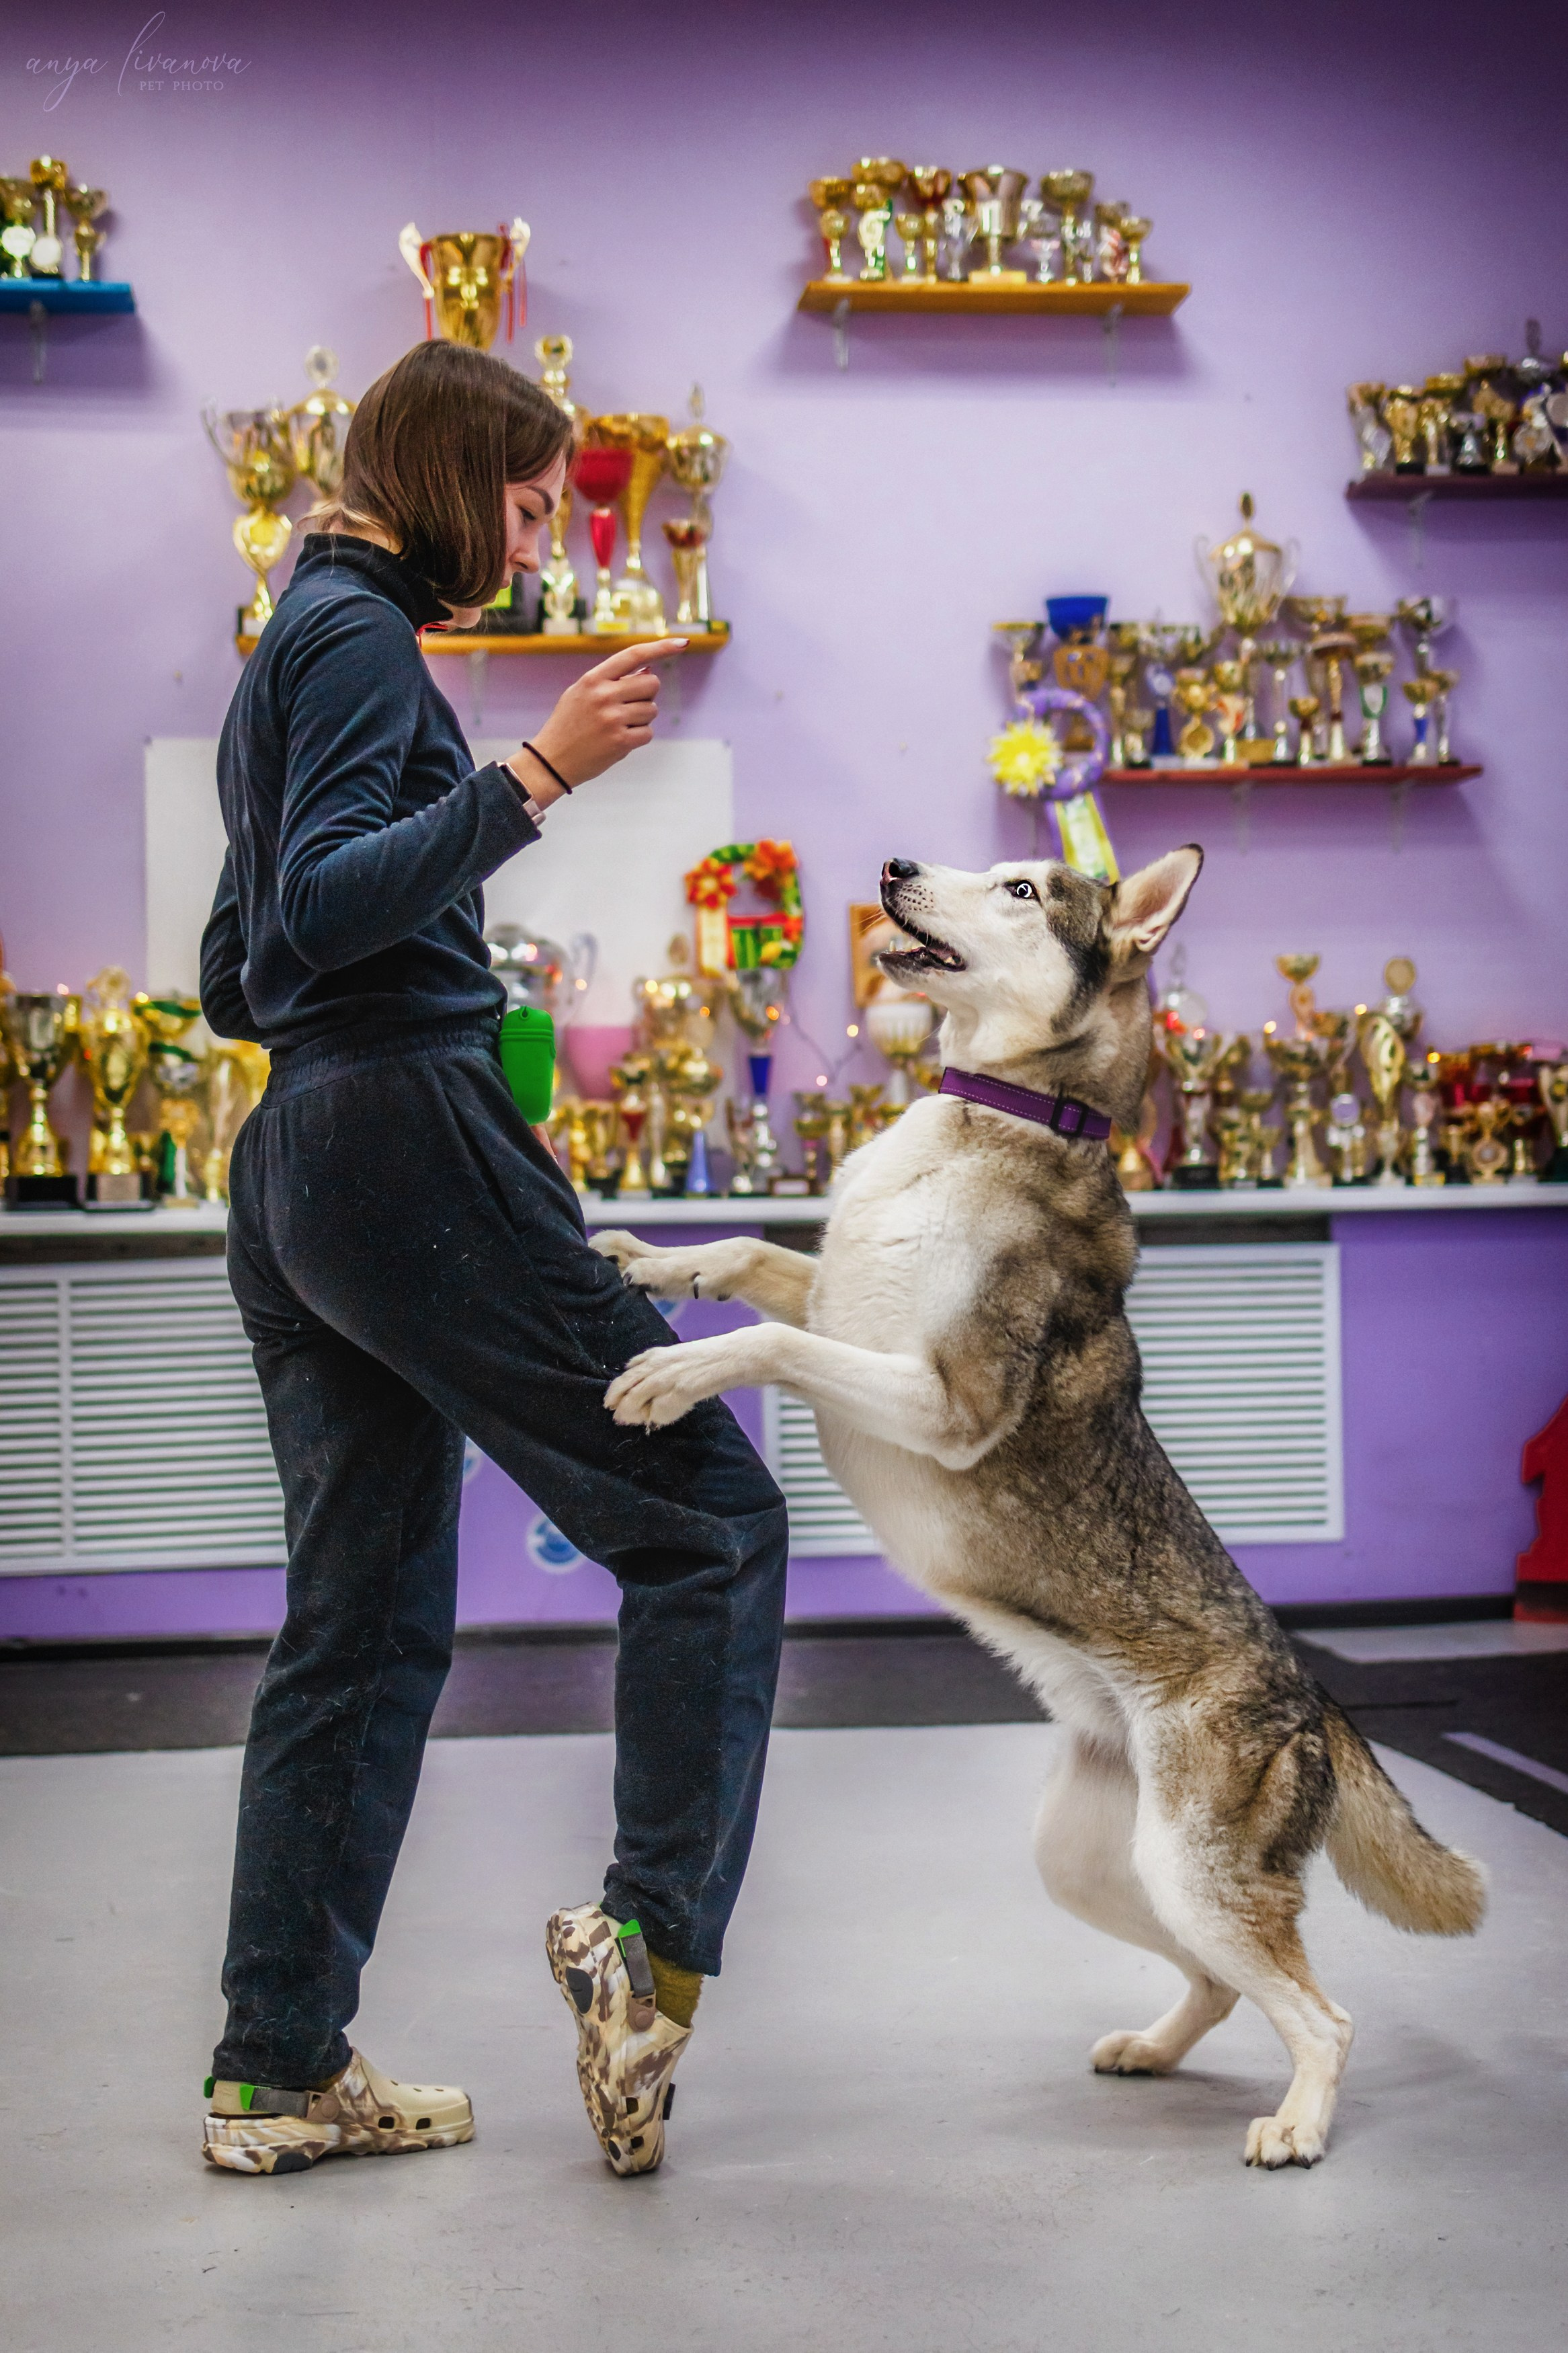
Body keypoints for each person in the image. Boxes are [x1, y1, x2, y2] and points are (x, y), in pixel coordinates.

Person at [197, 340, 789, 2180]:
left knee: (365, 1621)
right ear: (455, 470)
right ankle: (645, 1953)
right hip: (386, 1141)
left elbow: (238, 969)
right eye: (529, 505)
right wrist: (535, 770)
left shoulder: (292, 640)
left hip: (301, 1155)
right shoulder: (365, 638)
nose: (535, 545)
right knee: (708, 1516)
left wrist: (420, 1048)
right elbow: (315, 910)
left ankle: (277, 2068)